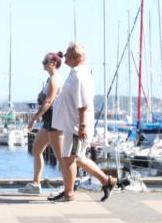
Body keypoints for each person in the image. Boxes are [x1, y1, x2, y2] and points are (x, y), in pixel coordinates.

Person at [50, 43, 127, 202]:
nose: (64, 56)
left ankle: (69, 193)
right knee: (77, 158)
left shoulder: (80, 76)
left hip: (76, 125)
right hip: (72, 124)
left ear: (76, 58)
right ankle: (107, 181)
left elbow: (83, 104)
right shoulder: (75, 73)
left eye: (67, 53)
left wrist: (82, 126)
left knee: (69, 159)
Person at [20, 51, 64, 194]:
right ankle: (36, 184)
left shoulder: (55, 79)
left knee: (60, 157)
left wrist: (34, 119)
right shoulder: (50, 79)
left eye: (45, 62)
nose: (43, 64)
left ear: (53, 63)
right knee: (36, 150)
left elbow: (48, 102)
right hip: (48, 122)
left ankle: (67, 187)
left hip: (54, 122)